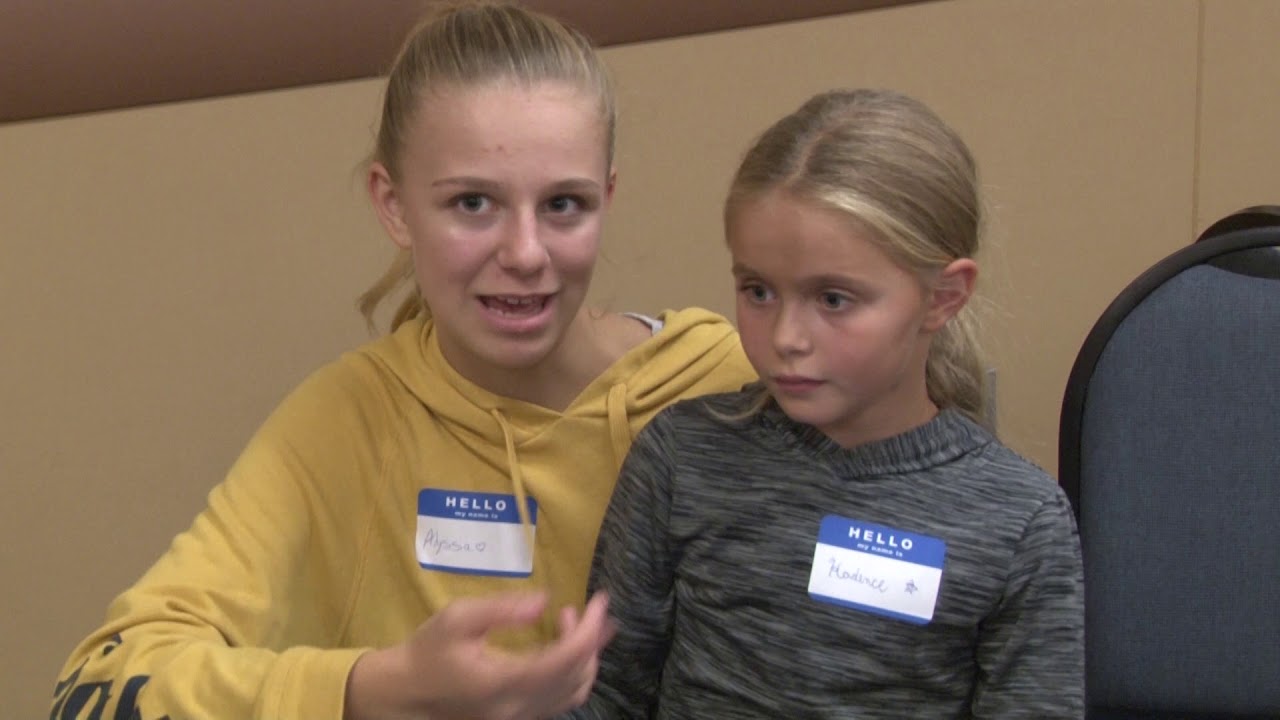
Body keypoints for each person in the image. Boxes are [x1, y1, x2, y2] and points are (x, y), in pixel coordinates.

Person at [49, 3, 756, 719]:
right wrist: (380, 688)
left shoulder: (731, 386)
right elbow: (93, 690)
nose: (525, 253)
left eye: (563, 205)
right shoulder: (348, 423)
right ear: (394, 206)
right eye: (473, 203)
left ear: (607, 197)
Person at [567, 89, 1085, 718]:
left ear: (943, 297)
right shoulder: (681, 457)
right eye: (758, 291)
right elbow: (608, 694)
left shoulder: (1020, 522)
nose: (787, 337)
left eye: (834, 299)